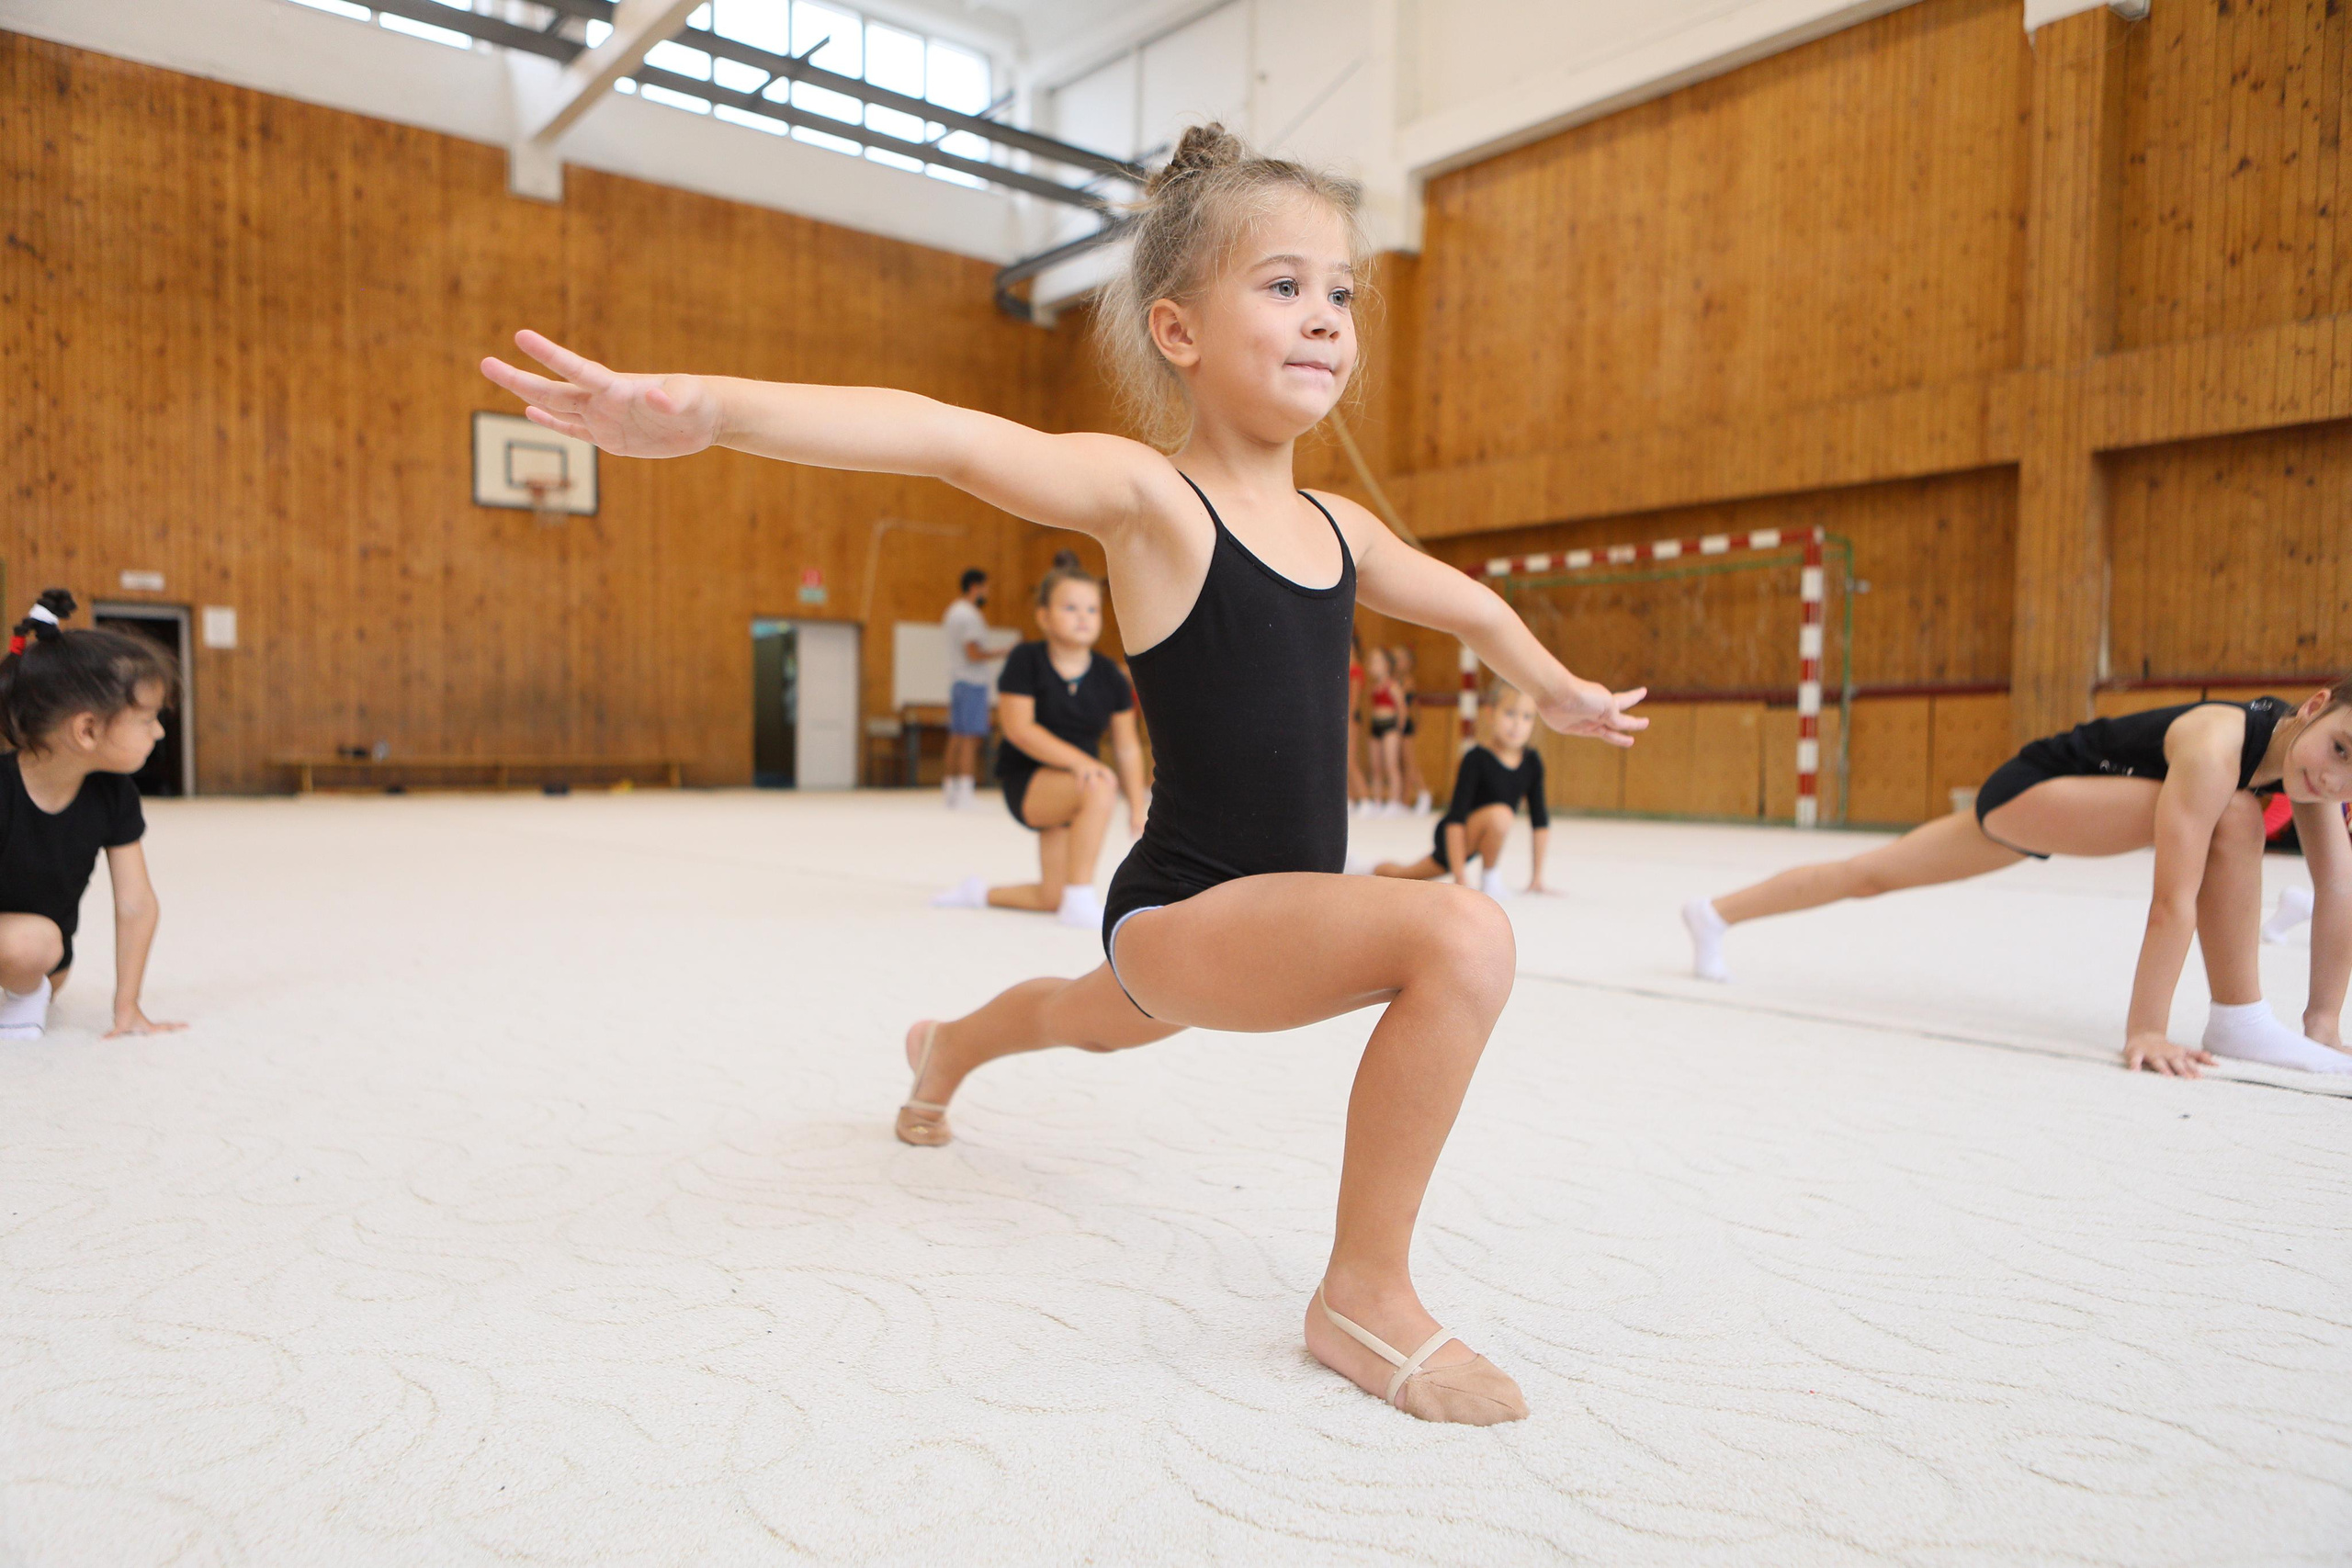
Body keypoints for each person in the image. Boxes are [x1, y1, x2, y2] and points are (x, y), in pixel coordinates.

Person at [481, 120, 1645, 1426]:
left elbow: (1474, 605)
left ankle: (943, 1048)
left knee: (1069, 1017)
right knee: (1463, 936)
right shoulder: (1149, 498)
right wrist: (710, 412)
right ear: (1177, 330)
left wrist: (1556, 686)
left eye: (1340, 292)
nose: (1323, 316)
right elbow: (941, 436)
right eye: (1281, 285)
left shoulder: (1342, 526)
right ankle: (1363, 1295)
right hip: (1189, 913)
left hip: (1261, 928)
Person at [1682, 685, 2352, 1077]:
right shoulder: (2217, 749)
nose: (2332, 777)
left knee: (1870, 874)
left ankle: (1713, 913)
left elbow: (2340, 891)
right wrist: (2146, 1030)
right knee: (2236, 814)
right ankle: (2240, 1019)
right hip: (2036, 789)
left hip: (2058, 803)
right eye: (2340, 748)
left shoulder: (2310, 773)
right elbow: (2171, 898)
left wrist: (2323, 1023)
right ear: (2316, 705)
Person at [0, 591, 185, 1043]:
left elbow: (136, 903)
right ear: (86, 730)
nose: (159, 731)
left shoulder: (114, 796)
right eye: (147, 720)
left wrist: (128, 1007)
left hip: (38, 960)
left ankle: (19, 1003)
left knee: (33, 942)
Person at [933, 551, 1148, 929]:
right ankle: (1081, 898)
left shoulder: (1111, 677)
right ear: (1044, 617)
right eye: (1070, 608)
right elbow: (1019, 728)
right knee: (1100, 784)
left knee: (1050, 896)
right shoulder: (1026, 660)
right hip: (1030, 781)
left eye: (1092, 610)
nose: (1083, 617)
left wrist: (1137, 804)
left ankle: (977, 893)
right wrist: (1082, 762)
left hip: (1076, 786)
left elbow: (1126, 745)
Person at [1374, 682, 1551, 897]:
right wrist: (1460, 877)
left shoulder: (1532, 762)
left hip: (1483, 836)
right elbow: (1456, 818)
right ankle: (1490, 878)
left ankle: (1371, 869)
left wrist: (1537, 878)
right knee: (1501, 815)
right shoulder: (1475, 758)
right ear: (1490, 713)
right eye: (1510, 714)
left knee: (1405, 875)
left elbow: (1540, 821)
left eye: (1526, 717)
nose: (1517, 724)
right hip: (1455, 834)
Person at [941, 568, 994, 807]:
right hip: (972, 682)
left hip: (957, 680)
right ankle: (966, 790)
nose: (987, 592)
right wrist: (1003, 652)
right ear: (975, 586)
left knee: (957, 736)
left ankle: (950, 789)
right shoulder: (970, 615)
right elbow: (973, 653)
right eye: (986, 587)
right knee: (970, 738)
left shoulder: (952, 611)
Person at [1363, 646, 1403, 814]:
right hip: (1375, 727)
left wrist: (1398, 730)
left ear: (1387, 665)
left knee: (1391, 765)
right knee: (1376, 767)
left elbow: (1402, 709)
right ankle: (1378, 802)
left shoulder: (1393, 686)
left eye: (1377, 662)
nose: (1373, 665)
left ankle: (1394, 802)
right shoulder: (1374, 687)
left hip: (1390, 728)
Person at [1393, 643, 1431, 814]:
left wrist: (1415, 721)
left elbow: (1409, 703)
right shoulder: (1395, 680)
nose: (1396, 662)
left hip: (1405, 725)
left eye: (1400, 659)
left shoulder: (1407, 680)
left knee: (1410, 762)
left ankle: (1424, 793)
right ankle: (1404, 800)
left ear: (1408, 663)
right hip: (1397, 723)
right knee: (1402, 763)